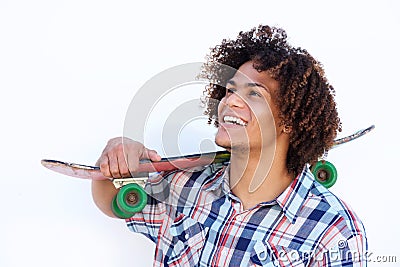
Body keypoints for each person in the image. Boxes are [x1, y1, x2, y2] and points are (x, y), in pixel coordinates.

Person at [92, 25, 367, 266]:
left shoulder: (333, 229)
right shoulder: (183, 187)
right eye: (231, 90)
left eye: (254, 94)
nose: (231, 101)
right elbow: (114, 202)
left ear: (289, 121)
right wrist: (114, 157)